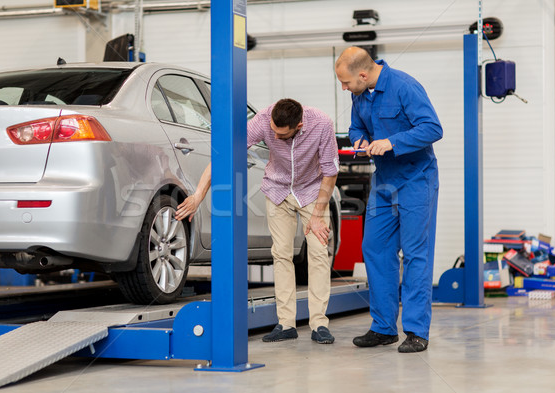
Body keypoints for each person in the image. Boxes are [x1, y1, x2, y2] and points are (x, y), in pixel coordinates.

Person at [175, 98, 339, 344]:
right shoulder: (263, 120)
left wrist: (317, 216)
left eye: (280, 135)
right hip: (277, 191)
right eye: (271, 131)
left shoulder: (322, 124)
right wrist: (199, 194)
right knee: (281, 254)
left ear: (299, 125)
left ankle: (319, 324)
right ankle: (286, 324)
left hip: (313, 192)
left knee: (317, 253)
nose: (273, 136)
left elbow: (330, 171)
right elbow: (225, 153)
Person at [334, 47, 442, 353]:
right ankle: (383, 328)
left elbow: (433, 128)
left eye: (346, 82)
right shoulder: (360, 94)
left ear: (364, 74)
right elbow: (357, 126)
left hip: (416, 179)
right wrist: (360, 139)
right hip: (384, 181)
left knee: (415, 253)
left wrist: (392, 142)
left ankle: (416, 331)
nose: (344, 88)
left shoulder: (405, 87)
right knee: (375, 248)